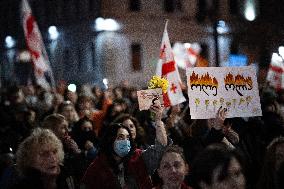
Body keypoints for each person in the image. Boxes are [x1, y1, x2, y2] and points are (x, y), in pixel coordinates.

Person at [81, 102, 168, 189]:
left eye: (128, 137)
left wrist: (158, 120)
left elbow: (161, 146)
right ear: (111, 140)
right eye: (121, 137)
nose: (125, 141)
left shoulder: (139, 156)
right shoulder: (98, 166)